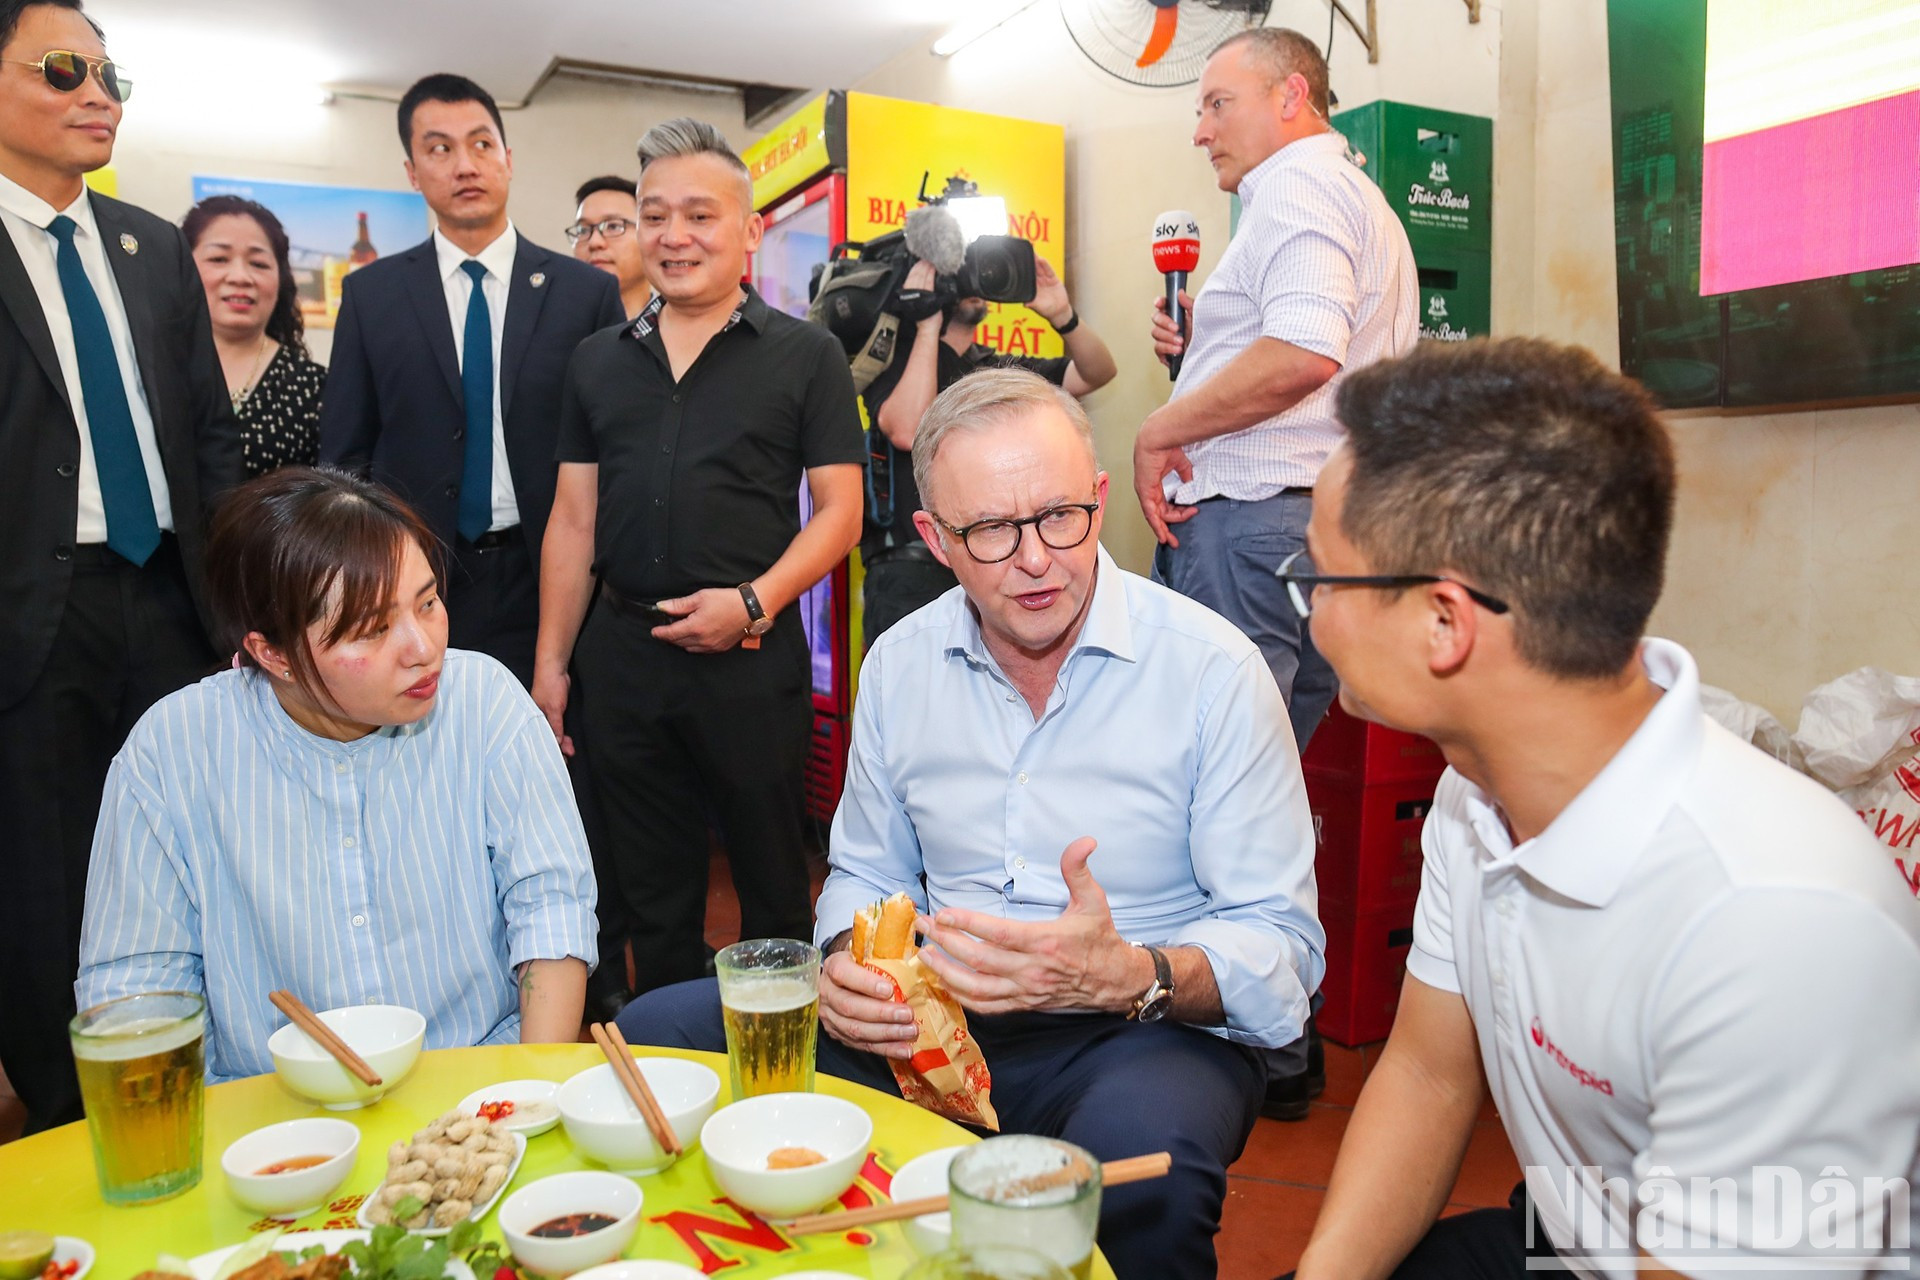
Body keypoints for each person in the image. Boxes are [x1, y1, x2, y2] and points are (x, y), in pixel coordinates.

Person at [622, 370, 1324, 1280]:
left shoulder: (1212, 672)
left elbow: (1283, 951)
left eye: (1061, 516)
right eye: (991, 530)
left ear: (1100, 500)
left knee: (1136, 1181)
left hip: (1135, 1033)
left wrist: (1130, 975)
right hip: (928, 1016)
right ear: (935, 541)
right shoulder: (902, 662)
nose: (1035, 560)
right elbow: (867, 872)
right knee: (658, 1037)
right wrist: (844, 963)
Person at [1284, 339, 1920, 1280]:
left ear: (1445, 622)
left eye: (1323, 579)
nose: (1311, 613)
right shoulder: (1476, 793)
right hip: (1579, 1230)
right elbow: (1427, 1073)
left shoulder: (1776, 921)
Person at [76, 467, 599, 1083]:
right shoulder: (171, 754)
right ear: (273, 653)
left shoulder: (485, 703)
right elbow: (138, 991)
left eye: (428, 603)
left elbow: (551, 909)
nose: (422, 648)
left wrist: (528, 1091)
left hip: (478, 1080)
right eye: (372, 629)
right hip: (273, 1109)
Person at [536, 117, 865, 1009]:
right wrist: (552, 665)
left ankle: (783, 1064)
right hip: (623, 660)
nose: (674, 235)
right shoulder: (596, 363)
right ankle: (673, 1057)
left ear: (749, 229)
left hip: (750, 659)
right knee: (652, 894)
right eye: (654, 216)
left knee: (772, 882)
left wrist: (753, 604)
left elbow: (841, 513)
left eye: (699, 215)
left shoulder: (807, 354)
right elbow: (573, 520)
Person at [0, 0, 242, 1132]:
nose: (98, 95)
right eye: (64, 70)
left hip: (172, 600)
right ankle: (68, 1126)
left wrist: (235, 604)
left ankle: (213, 1099)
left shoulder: (150, 247)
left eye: (110, 76)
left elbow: (210, 442)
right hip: (32, 617)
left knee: (193, 855)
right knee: (45, 882)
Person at [1136, 25, 1416, 754]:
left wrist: (1160, 429)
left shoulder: (1298, 186)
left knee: (1217, 773)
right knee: (1264, 772)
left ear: (1292, 95)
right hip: (1318, 531)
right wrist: (1207, 350)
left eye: (1218, 104)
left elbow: (1304, 351)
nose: (1201, 132)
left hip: (1250, 528)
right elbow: (1322, 353)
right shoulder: (1356, 195)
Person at [318, 73, 624, 686]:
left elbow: (618, 449)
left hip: (554, 579)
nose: (465, 164)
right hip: (411, 584)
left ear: (508, 159)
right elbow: (345, 457)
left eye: (482, 144)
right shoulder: (372, 296)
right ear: (412, 172)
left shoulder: (585, 294)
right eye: (440, 148)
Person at [861, 255, 1115, 644]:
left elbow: (1097, 372)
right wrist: (926, 322)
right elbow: (907, 430)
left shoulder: (995, 368)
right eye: (957, 272)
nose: (972, 282)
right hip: (911, 571)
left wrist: (1063, 316)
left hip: (1004, 559)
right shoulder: (900, 360)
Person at [184, 194, 326, 477]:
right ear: (182, 267)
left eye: (259, 264)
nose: (240, 277)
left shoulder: (316, 388)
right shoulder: (149, 371)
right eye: (219, 259)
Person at [567, 174, 649, 320]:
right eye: (583, 230)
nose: (594, 242)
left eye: (613, 226)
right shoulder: (553, 324)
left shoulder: (678, 326)